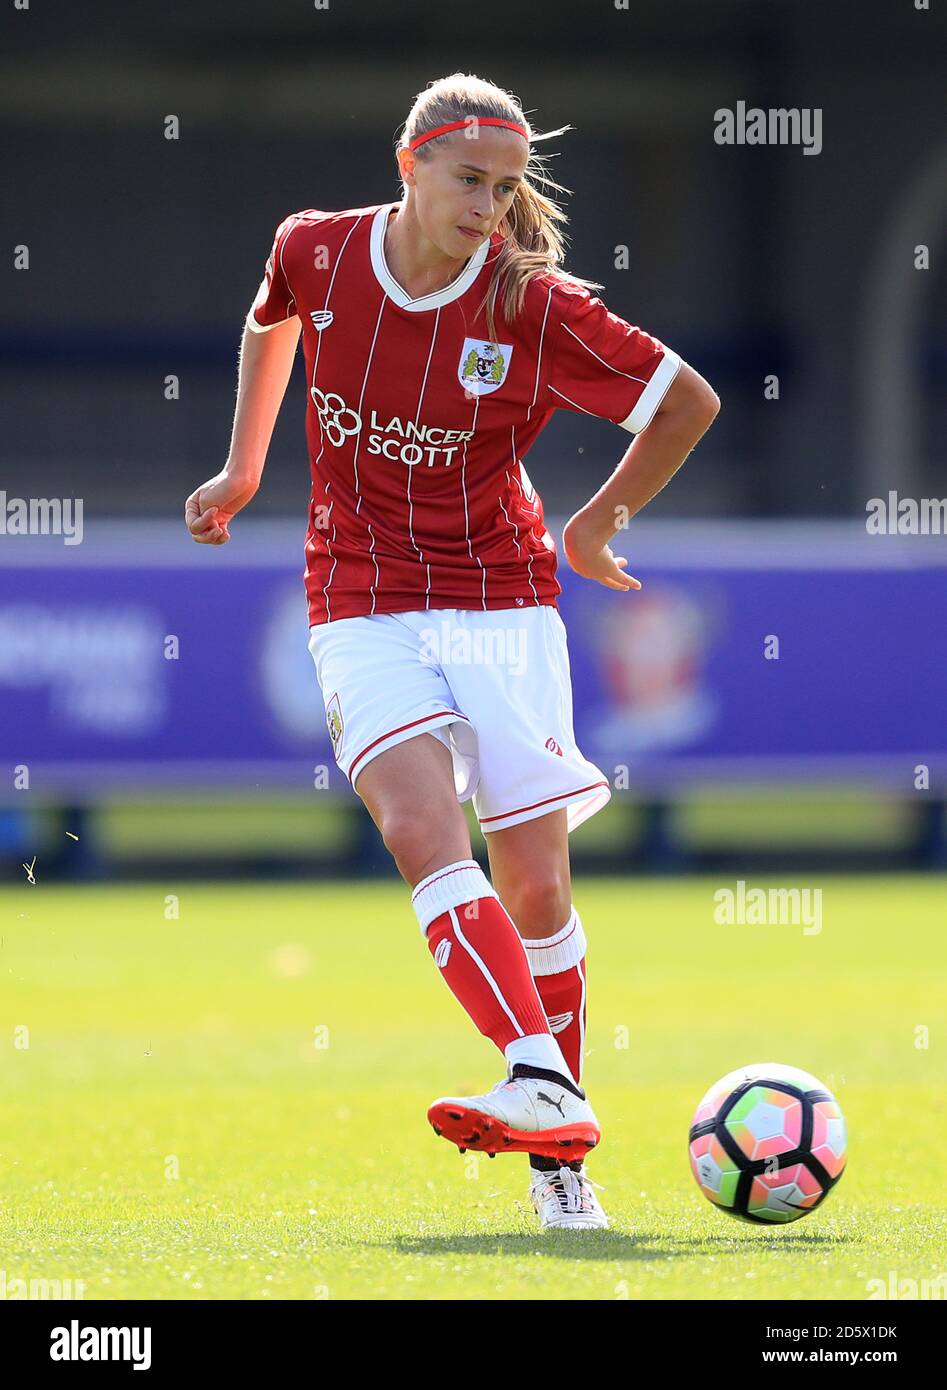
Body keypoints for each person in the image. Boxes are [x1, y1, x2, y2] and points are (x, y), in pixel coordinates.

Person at [185, 72, 719, 1231]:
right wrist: (244, 467)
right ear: (408, 166)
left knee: (533, 882)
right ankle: (539, 1073)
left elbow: (686, 400)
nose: (487, 206)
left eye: (504, 188)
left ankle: (554, 1158)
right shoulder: (316, 252)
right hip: (358, 594)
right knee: (419, 828)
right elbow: (270, 317)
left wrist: (596, 522)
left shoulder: (531, 304)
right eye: (468, 181)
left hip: (500, 600)